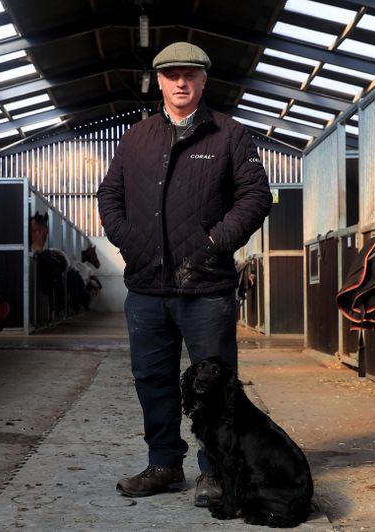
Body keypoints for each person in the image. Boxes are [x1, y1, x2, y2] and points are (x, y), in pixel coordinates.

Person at [97, 41, 273, 507]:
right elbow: (109, 195)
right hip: (147, 287)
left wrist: (214, 244)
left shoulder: (229, 135)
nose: (181, 82)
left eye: (190, 75)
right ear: (159, 80)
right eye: (172, 74)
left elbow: (256, 197)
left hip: (206, 289)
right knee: (151, 377)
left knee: (214, 382)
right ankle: (163, 465)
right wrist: (127, 241)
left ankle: (216, 471)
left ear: (203, 81)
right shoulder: (137, 138)